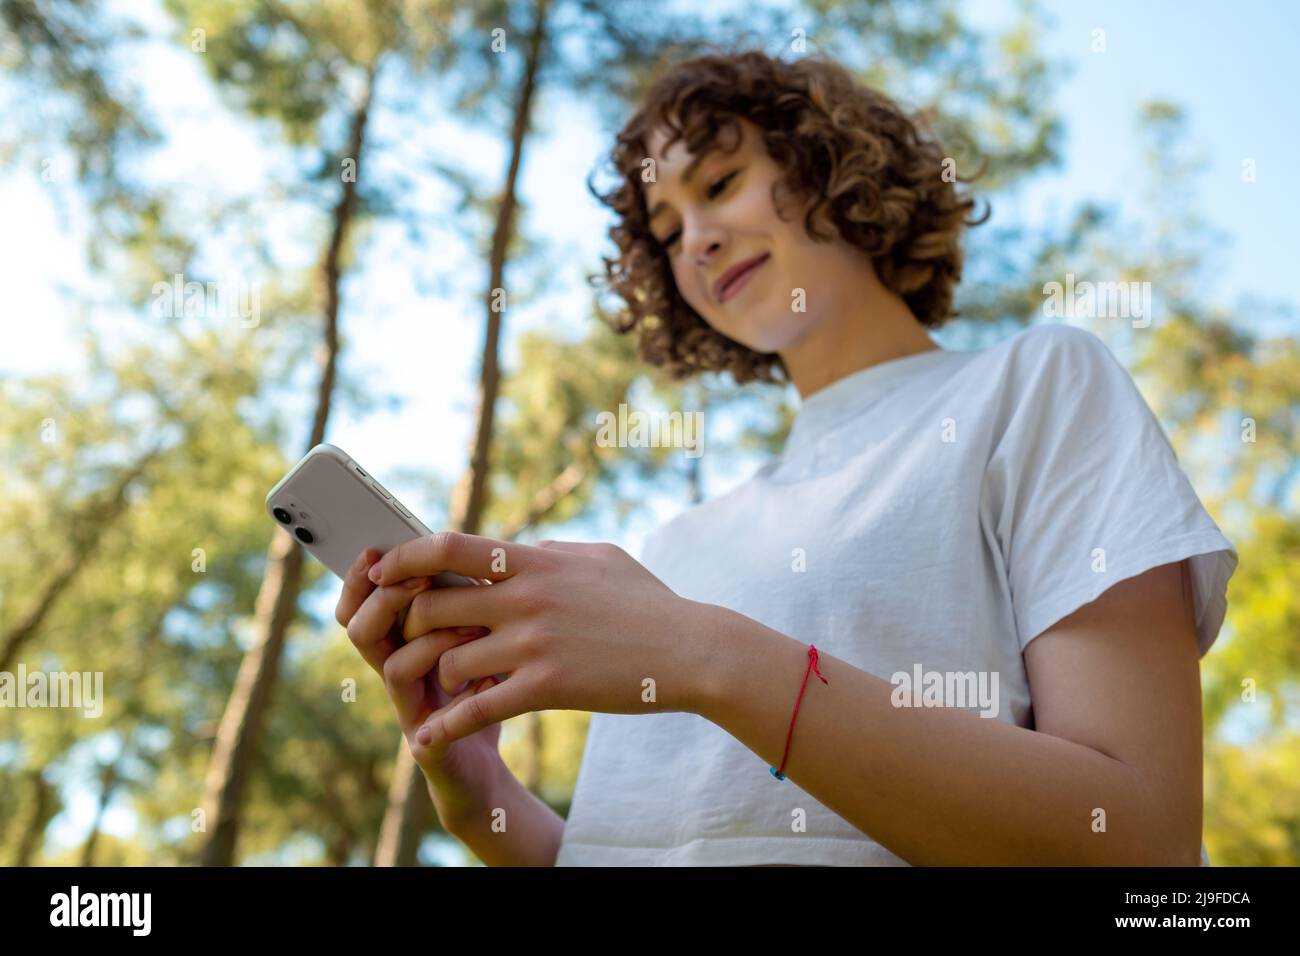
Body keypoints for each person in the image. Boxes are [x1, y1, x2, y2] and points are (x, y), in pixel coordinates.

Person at [333, 49, 1236, 866]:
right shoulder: (680, 542)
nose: (694, 239)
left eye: (719, 183)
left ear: (830, 166)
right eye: (665, 224)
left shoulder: (1036, 388)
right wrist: (481, 800)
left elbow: (1140, 846)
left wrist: (701, 653)